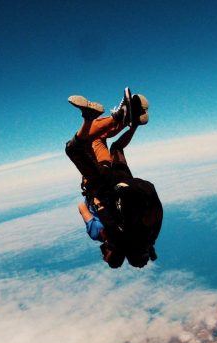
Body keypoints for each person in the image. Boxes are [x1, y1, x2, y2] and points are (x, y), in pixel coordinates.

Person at [64, 88, 162, 268]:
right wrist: (94, 202)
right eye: (106, 258)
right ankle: (95, 117)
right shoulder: (103, 234)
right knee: (74, 149)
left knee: (110, 145)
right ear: (113, 253)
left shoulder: (145, 237)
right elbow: (82, 208)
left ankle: (132, 123)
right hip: (100, 184)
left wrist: (149, 251)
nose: (103, 256)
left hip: (124, 180)